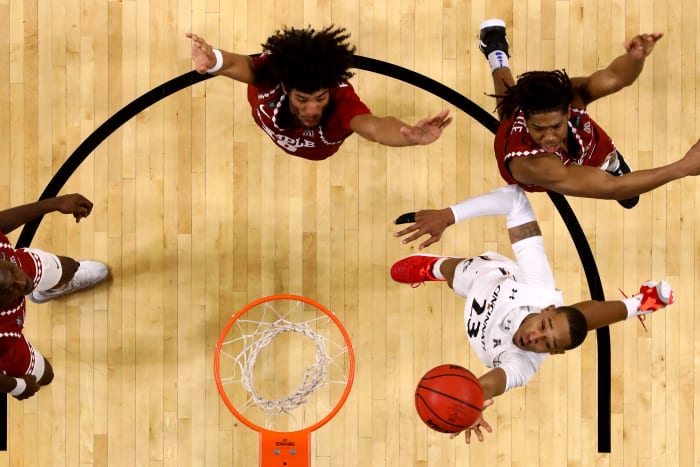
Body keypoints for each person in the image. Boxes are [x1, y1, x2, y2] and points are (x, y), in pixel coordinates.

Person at [390, 185, 674, 443]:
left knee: (575, 324)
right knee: (459, 273)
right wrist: (450, 215)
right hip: (488, 278)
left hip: (478, 318)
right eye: (544, 325)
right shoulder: (538, 286)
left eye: (547, 343)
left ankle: (642, 304)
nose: (533, 337)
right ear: (546, 310)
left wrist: (472, 400)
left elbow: (492, 383)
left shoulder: (524, 364)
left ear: (554, 353)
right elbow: (515, 199)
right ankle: (434, 269)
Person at [479, 19, 700, 208]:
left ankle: (495, 49)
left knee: (511, 98)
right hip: (535, 164)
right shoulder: (535, 165)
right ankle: (496, 54)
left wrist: (635, 58)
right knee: (508, 105)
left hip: (588, 147)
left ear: (567, 111)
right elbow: (610, 188)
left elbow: (616, 77)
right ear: (525, 118)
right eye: (538, 128)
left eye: (555, 126)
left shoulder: (573, 95)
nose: (548, 137)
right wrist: (682, 167)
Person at [186, 26, 452, 160]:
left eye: (320, 98)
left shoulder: (341, 105)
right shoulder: (271, 76)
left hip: (321, 151)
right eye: (302, 99)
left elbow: (375, 128)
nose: (312, 109)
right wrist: (214, 61)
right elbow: (237, 63)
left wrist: (410, 137)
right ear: (287, 88)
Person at [0, 193, 109, 400]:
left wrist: (54, 203)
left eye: (13, 272)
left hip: (11, 264)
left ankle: (48, 290)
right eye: (9, 290)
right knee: (46, 375)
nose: (23, 283)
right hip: (6, 343)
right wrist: (16, 386)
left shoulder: (16, 275)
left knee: (69, 267)